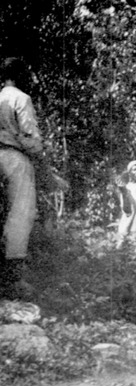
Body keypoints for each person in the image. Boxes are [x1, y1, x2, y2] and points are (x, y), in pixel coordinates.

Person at [0, 57, 44, 298]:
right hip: (12, 156)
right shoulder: (20, 98)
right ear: (19, 75)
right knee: (21, 211)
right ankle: (14, 279)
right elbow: (29, 137)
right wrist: (40, 157)